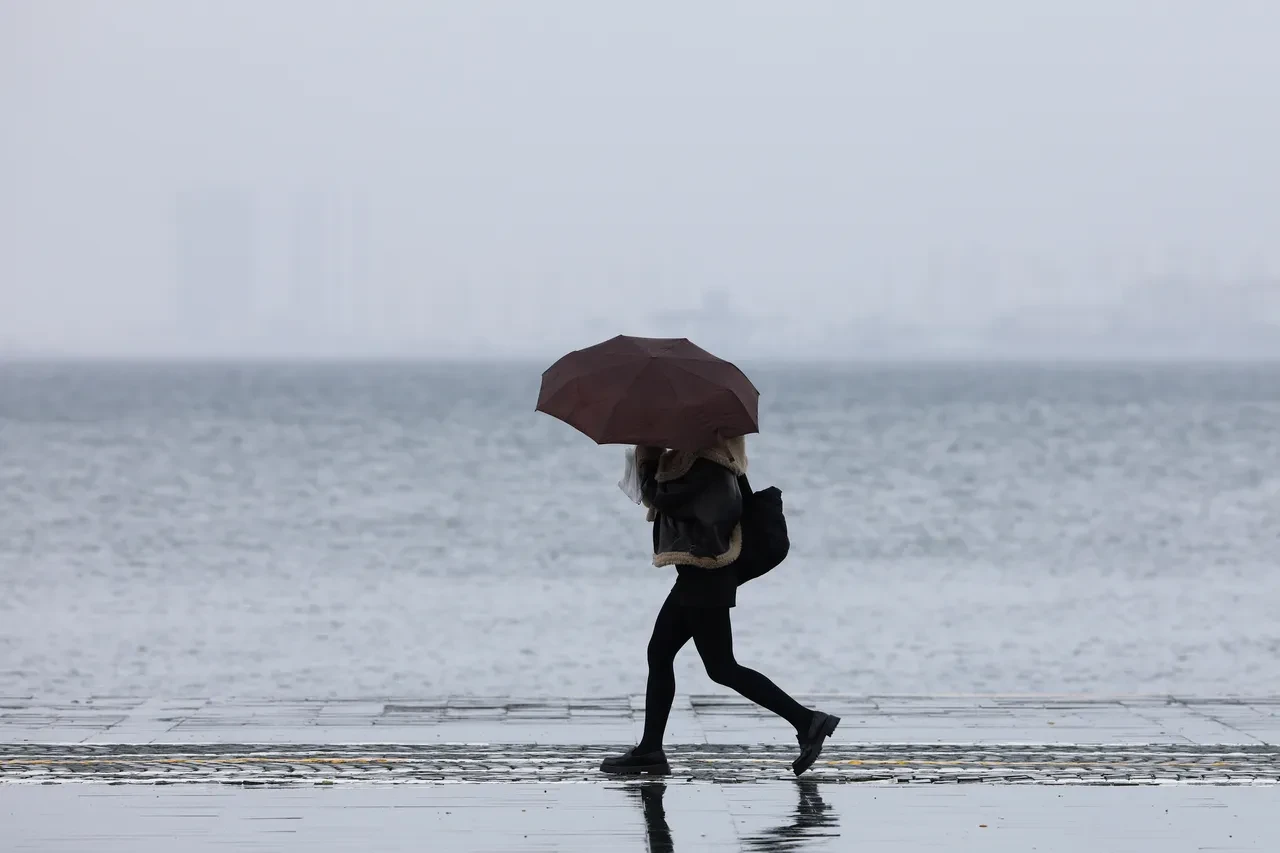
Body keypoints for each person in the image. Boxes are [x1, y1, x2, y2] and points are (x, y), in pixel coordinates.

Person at [600, 436, 839, 777]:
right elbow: (672, 499)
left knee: (720, 666)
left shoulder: (709, 461)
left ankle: (808, 721)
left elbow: (674, 500)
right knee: (664, 653)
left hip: (707, 571)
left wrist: (648, 461)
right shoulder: (701, 457)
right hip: (701, 572)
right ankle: (651, 749)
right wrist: (652, 461)